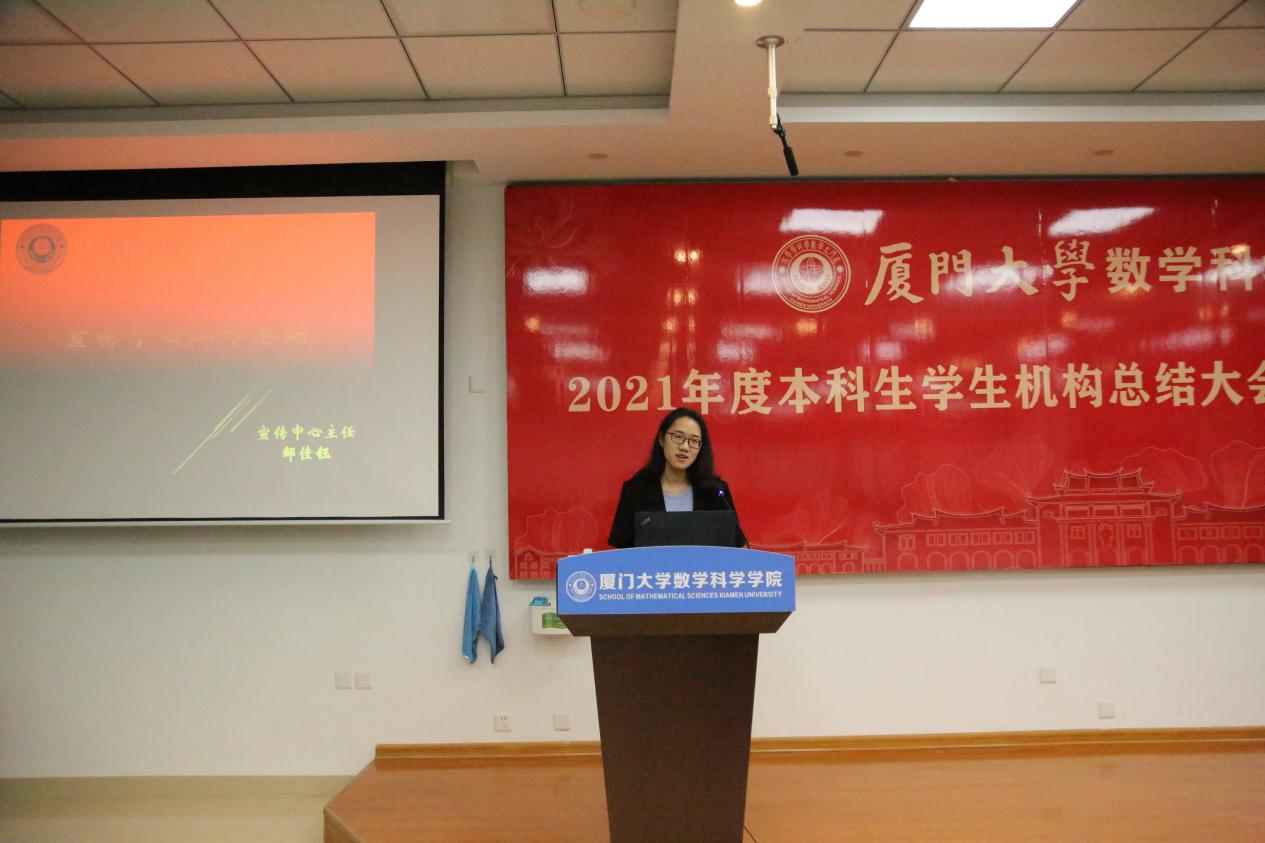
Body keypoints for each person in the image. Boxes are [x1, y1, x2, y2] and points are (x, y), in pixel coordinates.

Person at [607, 407, 747, 548]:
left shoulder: (715, 492)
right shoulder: (635, 491)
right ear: (661, 439)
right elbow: (621, 552)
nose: (685, 447)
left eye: (694, 441)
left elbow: (738, 546)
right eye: (678, 437)